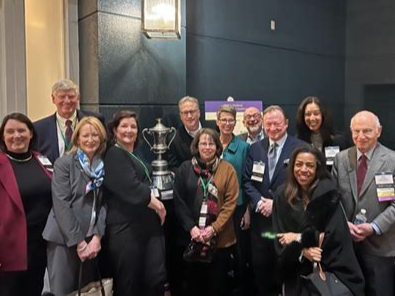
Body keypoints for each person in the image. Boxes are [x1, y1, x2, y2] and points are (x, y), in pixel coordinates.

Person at [272, 146, 365, 296]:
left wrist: (297, 238)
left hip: (329, 268)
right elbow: (279, 236)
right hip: (295, 272)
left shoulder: (328, 194)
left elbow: (335, 235)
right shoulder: (282, 195)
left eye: (310, 165)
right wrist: (302, 251)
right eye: (298, 164)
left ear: (317, 168)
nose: (303, 170)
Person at [243, 105, 307, 296]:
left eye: (277, 123)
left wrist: (276, 204)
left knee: (287, 272)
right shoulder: (255, 149)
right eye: (268, 124)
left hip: (288, 223)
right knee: (261, 270)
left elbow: (304, 186)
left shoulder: (301, 148)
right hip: (260, 225)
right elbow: (247, 181)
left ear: (286, 124)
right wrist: (259, 202)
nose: (272, 128)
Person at [103, 110, 167, 296]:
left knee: (155, 279)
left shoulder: (135, 154)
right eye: (124, 126)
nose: (129, 130)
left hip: (147, 227)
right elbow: (130, 187)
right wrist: (157, 204)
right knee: (129, 283)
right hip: (126, 230)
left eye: (133, 126)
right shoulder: (114, 154)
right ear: (114, 130)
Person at [332, 110, 395, 296]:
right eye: (356, 131)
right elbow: (334, 198)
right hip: (347, 245)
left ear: (379, 131)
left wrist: (374, 227)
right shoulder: (341, 159)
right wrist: (345, 225)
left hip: (381, 246)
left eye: (367, 131)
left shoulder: (392, 161)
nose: (361, 136)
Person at [42, 117, 107, 295]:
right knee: (62, 291)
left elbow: (103, 204)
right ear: (77, 138)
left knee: (85, 291)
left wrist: (97, 238)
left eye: (95, 135)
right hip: (64, 240)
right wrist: (79, 243)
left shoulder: (102, 166)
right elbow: (61, 205)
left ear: (101, 138)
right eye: (85, 135)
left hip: (91, 241)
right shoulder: (64, 164)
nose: (90, 139)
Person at [173, 128, 238, 296]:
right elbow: (178, 201)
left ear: (217, 147)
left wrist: (214, 228)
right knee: (194, 287)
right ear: (197, 146)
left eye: (211, 143)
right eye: (203, 143)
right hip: (192, 240)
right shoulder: (184, 169)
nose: (207, 147)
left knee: (218, 287)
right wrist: (191, 228)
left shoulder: (228, 169)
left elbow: (230, 204)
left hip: (221, 241)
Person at [0, 113, 52, 296]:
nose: (16, 136)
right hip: (9, 246)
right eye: (10, 131)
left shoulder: (41, 160)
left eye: (21, 130)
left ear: (31, 134)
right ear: (3, 136)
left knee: (34, 289)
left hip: (39, 245)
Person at [216, 104, 252, 294]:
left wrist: (247, 210)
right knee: (219, 252)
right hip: (216, 208)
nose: (227, 123)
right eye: (224, 120)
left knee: (239, 252)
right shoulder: (210, 144)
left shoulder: (244, 147)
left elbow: (247, 180)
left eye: (231, 120)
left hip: (237, 207)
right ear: (218, 122)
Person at [34, 78, 105, 164]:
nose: (67, 101)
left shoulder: (96, 120)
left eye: (71, 96)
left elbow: (104, 148)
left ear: (78, 98)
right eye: (62, 97)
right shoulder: (39, 128)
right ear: (53, 99)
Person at [167, 96, 202, 170]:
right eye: (185, 113)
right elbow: (173, 167)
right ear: (181, 116)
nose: (189, 116)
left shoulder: (212, 132)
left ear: (199, 113)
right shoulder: (173, 139)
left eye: (192, 111)